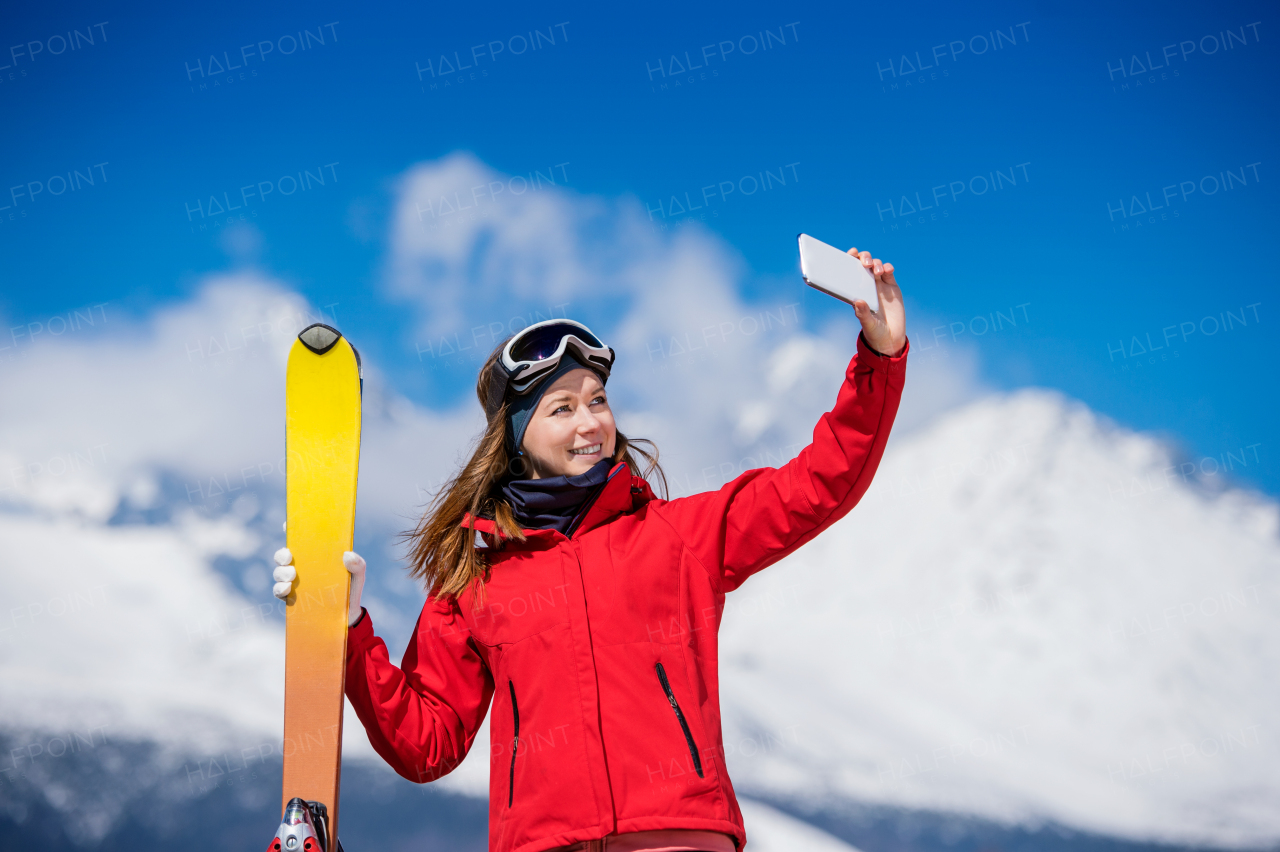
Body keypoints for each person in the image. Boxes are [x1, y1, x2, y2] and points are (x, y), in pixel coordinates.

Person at [271, 248, 909, 851]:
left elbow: (820, 481)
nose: (589, 422)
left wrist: (880, 356)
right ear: (517, 438)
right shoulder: (476, 577)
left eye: (598, 401)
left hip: (676, 834)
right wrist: (348, 630)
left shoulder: (680, 536)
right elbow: (426, 742)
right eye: (562, 408)